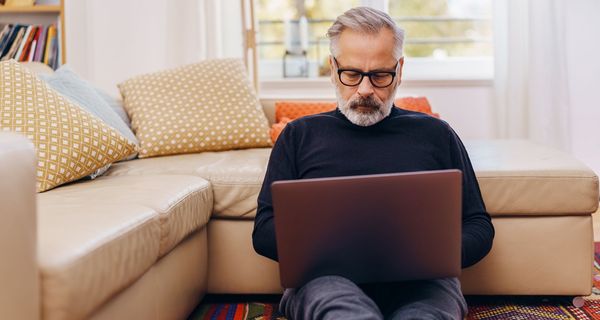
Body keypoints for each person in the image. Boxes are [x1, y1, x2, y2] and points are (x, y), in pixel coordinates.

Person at [252, 6, 494, 320]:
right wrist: (328, 250)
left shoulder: (436, 135)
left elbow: (478, 224)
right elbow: (263, 230)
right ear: (332, 67)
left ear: (400, 70)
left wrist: (438, 253)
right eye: (351, 74)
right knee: (344, 311)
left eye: (380, 75)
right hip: (326, 280)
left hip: (422, 281)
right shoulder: (299, 136)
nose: (365, 90)